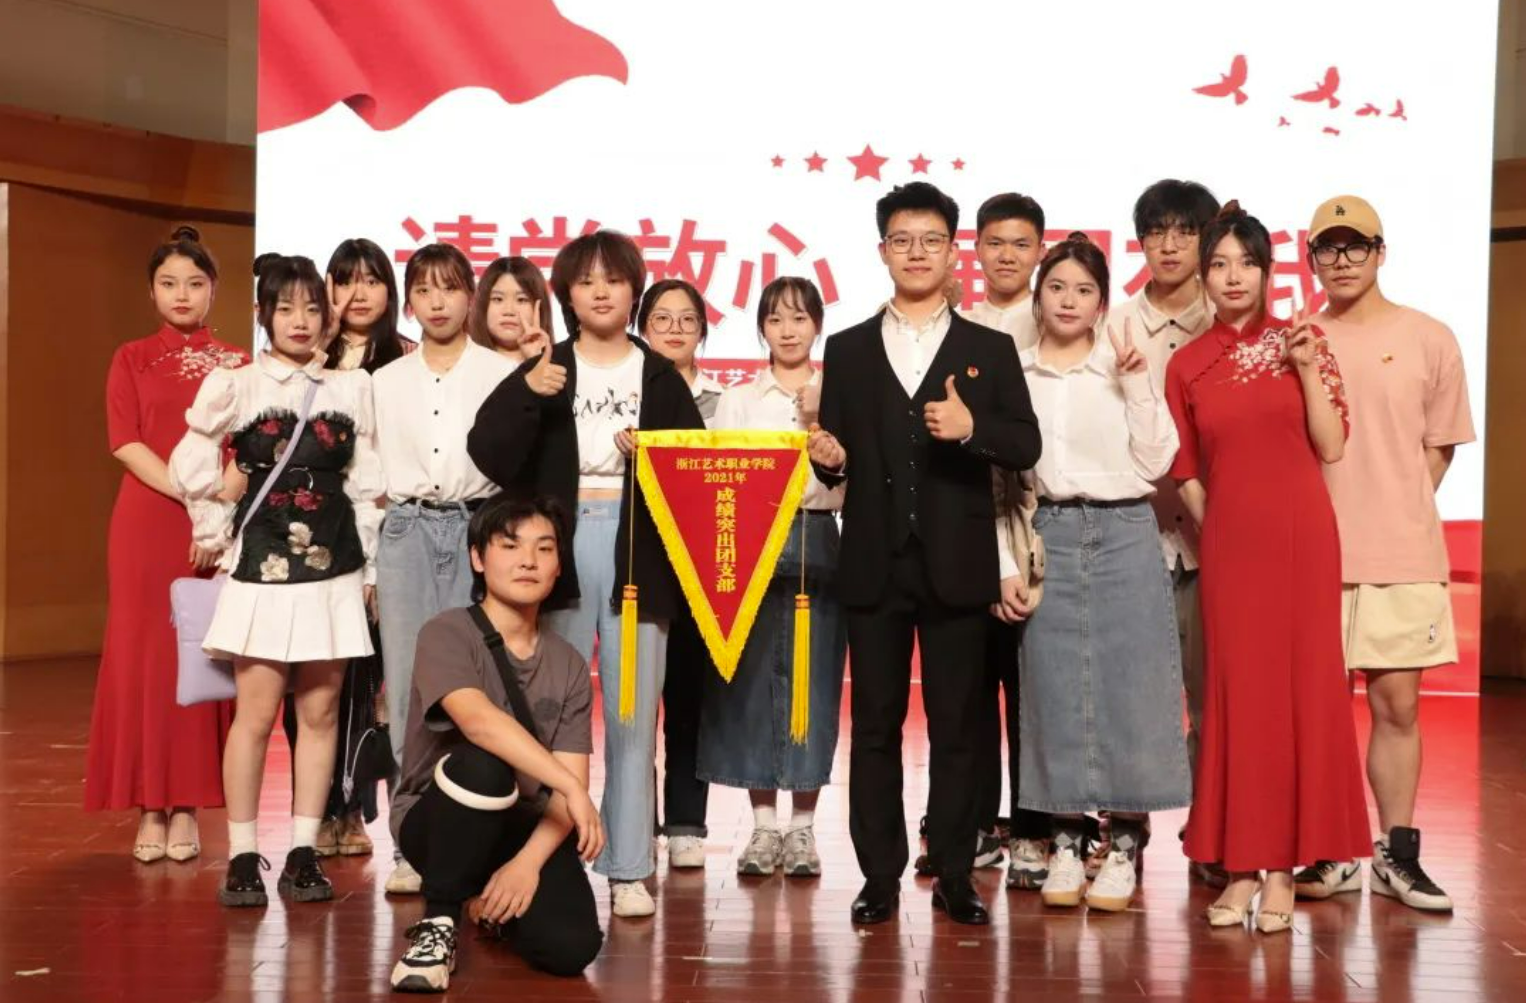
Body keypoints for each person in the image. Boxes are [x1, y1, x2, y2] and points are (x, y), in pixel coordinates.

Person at [808, 182, 1041, 926]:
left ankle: (956, 870)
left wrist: (973, 429)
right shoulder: (846, 349)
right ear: (882, 251)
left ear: (951, 252)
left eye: (931, 240)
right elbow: (834, 459)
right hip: (874, 562)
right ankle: (879, 874)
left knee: (958, 727)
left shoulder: (988, 348)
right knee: (875, 726)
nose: (917, 252)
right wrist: (828, 459)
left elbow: (1025, 443)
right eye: (902, 240)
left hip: (957, 563)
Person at [468, 230, 705, 918]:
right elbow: (490, 454)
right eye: (586, 281)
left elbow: (696, 476)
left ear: (635, 292)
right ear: (566, 295)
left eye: (615, 280)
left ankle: (628, 866)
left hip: (640, 555)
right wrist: (527, 390)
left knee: (633, 714)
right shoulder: (548, 366)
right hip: (556, 551)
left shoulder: (659, 374)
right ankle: (540, 862)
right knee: (546, 714)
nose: (601, 292)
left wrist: (654, 455)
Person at [1164, 203, 1370, 933]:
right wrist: (1218, 525)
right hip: (1230, 544)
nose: (1232, 277)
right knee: (1235, 699)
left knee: (1301, 696)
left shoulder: (1302, 341)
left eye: (1246, 263)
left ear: (1267, 270)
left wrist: (1308, 369)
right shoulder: (1186, 363)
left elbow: (1332, 443)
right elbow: (1185, 469)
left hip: (1302, 537)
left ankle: (1282, 870)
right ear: (1202, 274)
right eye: (1219, 264)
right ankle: (1241, 867)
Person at [170, 254, 385, 906]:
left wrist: (371, 567)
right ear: (264, 313)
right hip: (260, 569)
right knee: (256, 714)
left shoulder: (351, 388)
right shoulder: (236, 384)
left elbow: (366, 486)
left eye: (312, 308)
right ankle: (241, 856)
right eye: (286, 307)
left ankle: (302, 851)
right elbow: (191, 462)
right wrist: (214, 528)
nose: (300, 320)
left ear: (327, 316)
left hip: (333, 569)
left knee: (319, 713)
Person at [1291, 196, 1475, 912]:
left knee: (1397, 704)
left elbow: (1439, 447)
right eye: (1327, 248)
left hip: (1402, 553)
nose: (1341, 260)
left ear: (1380, 252)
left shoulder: (1430, 336)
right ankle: (1331, 848)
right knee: (1321, 710)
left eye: (1355, 246)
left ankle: (1396, 852)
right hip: (1314, 553)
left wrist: (1393, 508)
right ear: (1311, 260)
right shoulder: (1299, 338)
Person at [1009, 234, 1188, 912]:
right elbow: (1006, 480)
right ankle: (1063, 839)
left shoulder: (1123, 366)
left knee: (1132, 689)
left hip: (1124, 529)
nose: (1069, 301)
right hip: (1048, 531)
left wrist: (1137, 381)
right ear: (1038, 296)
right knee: (1053, 688)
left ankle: (1124, 845)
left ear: (1102, 303)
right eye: (1057, 287)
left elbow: (1157, 461)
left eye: (1084, 290)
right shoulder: (1017, 372)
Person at [388, 493, 606, 991]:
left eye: (544, 549)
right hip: (438, 819)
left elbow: (565, 787)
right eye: (510, 546)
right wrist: (571, 787)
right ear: (478, 558)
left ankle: (490, 904)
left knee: (571, 948)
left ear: (558, 566)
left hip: (519, 826)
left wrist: (526, 866)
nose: (528, 560)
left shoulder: (570, 664)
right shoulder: (446, 632)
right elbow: (478, 722)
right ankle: (439, 924)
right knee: (484, 765)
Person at [85, 225, 249, 861]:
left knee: (200, 658)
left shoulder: (239, 363)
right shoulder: (131, 357)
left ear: (213, 290)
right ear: (151, 292)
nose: (182, 294)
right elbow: (125, 441)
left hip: (215, 525)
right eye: (169, 283)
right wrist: (190, 496)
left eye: (195, 283)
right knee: (144, 661)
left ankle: (187, 806)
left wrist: (214, 512)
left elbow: (249, 450)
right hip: (147, 520)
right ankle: (149, 806)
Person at [373, 242, 516, 895]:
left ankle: (469, 834)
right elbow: (366, 475)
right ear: (409, 301)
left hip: (472, 529)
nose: (437, 302)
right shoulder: (385, 380)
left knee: (472, 684)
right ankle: (411, 841)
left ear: (470, 297)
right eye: (424, 290)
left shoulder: (499, 372)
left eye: (450, 288)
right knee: (407, 686)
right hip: (404, 530)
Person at [701, 276, 847, 877]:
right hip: (750, 541)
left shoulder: (839, 394)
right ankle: (763, 826)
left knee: (815, 683)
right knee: (751, 680)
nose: (788, 331)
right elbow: (716, 475)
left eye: (800, 318)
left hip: (818, 535)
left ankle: (803, 828)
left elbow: (855, 480)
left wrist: (830, 448)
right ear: (761, 328)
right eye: (776, 319)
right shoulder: (738, 399)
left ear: (818, 326)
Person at [279, 237, 419, 860]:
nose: (358, 293)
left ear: (391, 291)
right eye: (344, 280)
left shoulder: (407, 360)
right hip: (309, 539)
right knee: (311, 686)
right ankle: (317, 809)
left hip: (381, 536)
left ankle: (356, 809)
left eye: (372, 279)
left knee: (370, 685)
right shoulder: (306, 359)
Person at [1102, 179, 1222, 885]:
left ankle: (1211, 830)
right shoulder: (1112, 324)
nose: (1169, 245)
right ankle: (1125, 830)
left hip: (1213, 543)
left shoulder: (1231, 322)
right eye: (1156, 231)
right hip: (1132, 538)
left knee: (1213, 698)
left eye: (1185, 231)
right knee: (1127, 694)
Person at [955, 192, 1052, 888]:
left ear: (1039, 250)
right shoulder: (960, 328)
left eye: (1021, 244)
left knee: (1035, 690)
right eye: (996, 243)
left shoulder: (1058, 322)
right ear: (977, 249)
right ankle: (976, 823)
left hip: (1041, 523)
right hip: (972, 521)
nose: (1008, 256)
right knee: (969, 687)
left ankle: (1035, 826)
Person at [637, 278, 725, 868]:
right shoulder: (626, 391)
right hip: (640, 556)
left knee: (691, 697)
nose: (674, 329)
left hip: (701, 563)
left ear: (702, 332)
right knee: (636, 698)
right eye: (662, 319)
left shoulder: (725, 402)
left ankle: (688, 822)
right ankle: (637, 818)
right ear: (642, 327)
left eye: (687, 320)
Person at [471, 255, 556, 364]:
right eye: (498, 299)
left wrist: (537, 362)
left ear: (539, 308)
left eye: (521, 300)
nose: (509, 311)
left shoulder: (562, 367)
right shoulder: (463, 365)